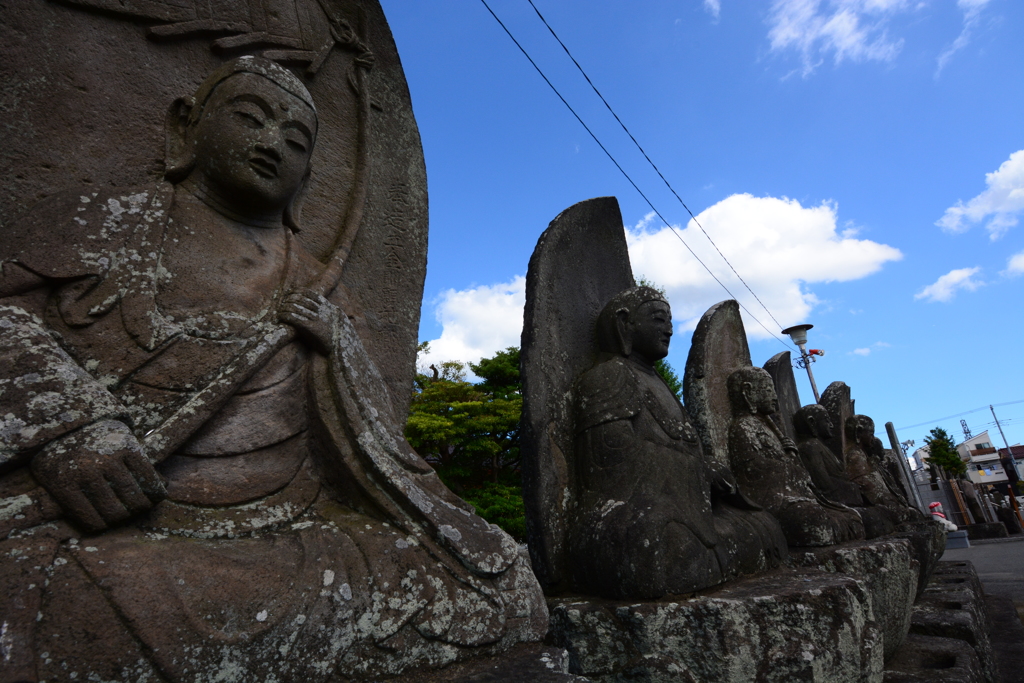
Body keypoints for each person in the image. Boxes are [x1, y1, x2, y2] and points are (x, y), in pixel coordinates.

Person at [0, 57, 544, 682]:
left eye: (294, 142)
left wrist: (337, 348)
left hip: (288, 538)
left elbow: (381, 448)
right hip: (115, 532)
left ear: (308, 177)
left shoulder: (317, 287)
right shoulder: (102, 223)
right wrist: (69, 427)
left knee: (500, 584)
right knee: (47, 589)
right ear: (185, 127)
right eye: (250, 118)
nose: (269, 144)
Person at [568, 286, 788, 600]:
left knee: (765, 525)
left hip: (686, 507)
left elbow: (685, 446)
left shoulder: (655, 382)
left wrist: (709, 470)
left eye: (670, 320)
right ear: (623, 323)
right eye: (659, 319)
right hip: (633, 513)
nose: (669, 329)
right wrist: (698, 468)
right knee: (661, 552)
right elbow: (611, 459)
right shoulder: (608, 376)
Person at [727, 367, 865, 547]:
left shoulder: (767, 428)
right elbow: (752, 472)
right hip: (776, 500)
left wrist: (791, 457)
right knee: (810, 520)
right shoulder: (742, 427)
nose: (774, 397)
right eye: (768, 390)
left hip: (795, 495)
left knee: (851, 516)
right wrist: (789, 467)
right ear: (748, 392)